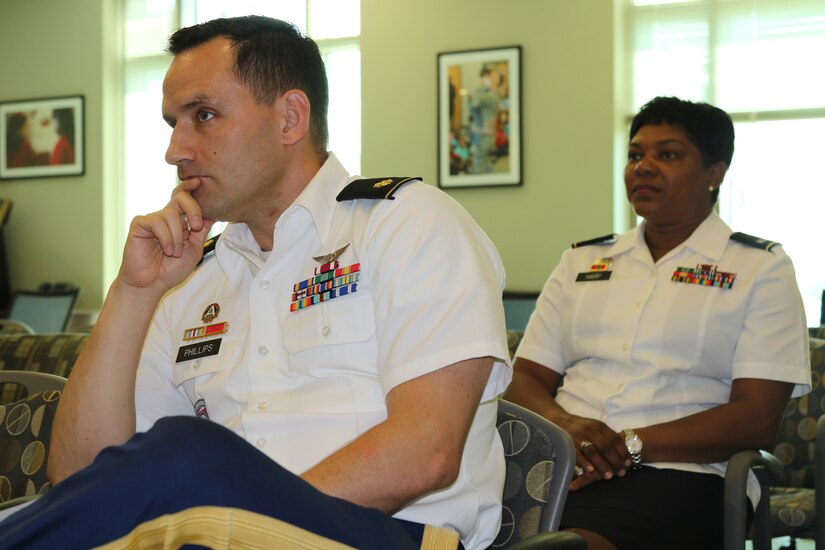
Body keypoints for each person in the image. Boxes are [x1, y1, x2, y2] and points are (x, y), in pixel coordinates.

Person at [0, 16, 511, 549]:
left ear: (290, 117)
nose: (175, 149)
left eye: (204, 115)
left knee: (185, 453)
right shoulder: (191, 281)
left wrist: (242, 523)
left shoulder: (407, 224)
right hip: (213, 534)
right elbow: (81, 478)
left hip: (383, 533)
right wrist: (134, 292)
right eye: (173, 123)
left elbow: (425, 452)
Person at [505, 96, 811, 550]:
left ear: (715, 173)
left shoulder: (760, 268)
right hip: (559, 462)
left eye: (667, 154)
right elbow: (526, 375)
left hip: (682, 476)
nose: (643, 167)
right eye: (634, 155)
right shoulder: (582, 261)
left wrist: (625, 446)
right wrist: (565, 427)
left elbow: (756, 418)